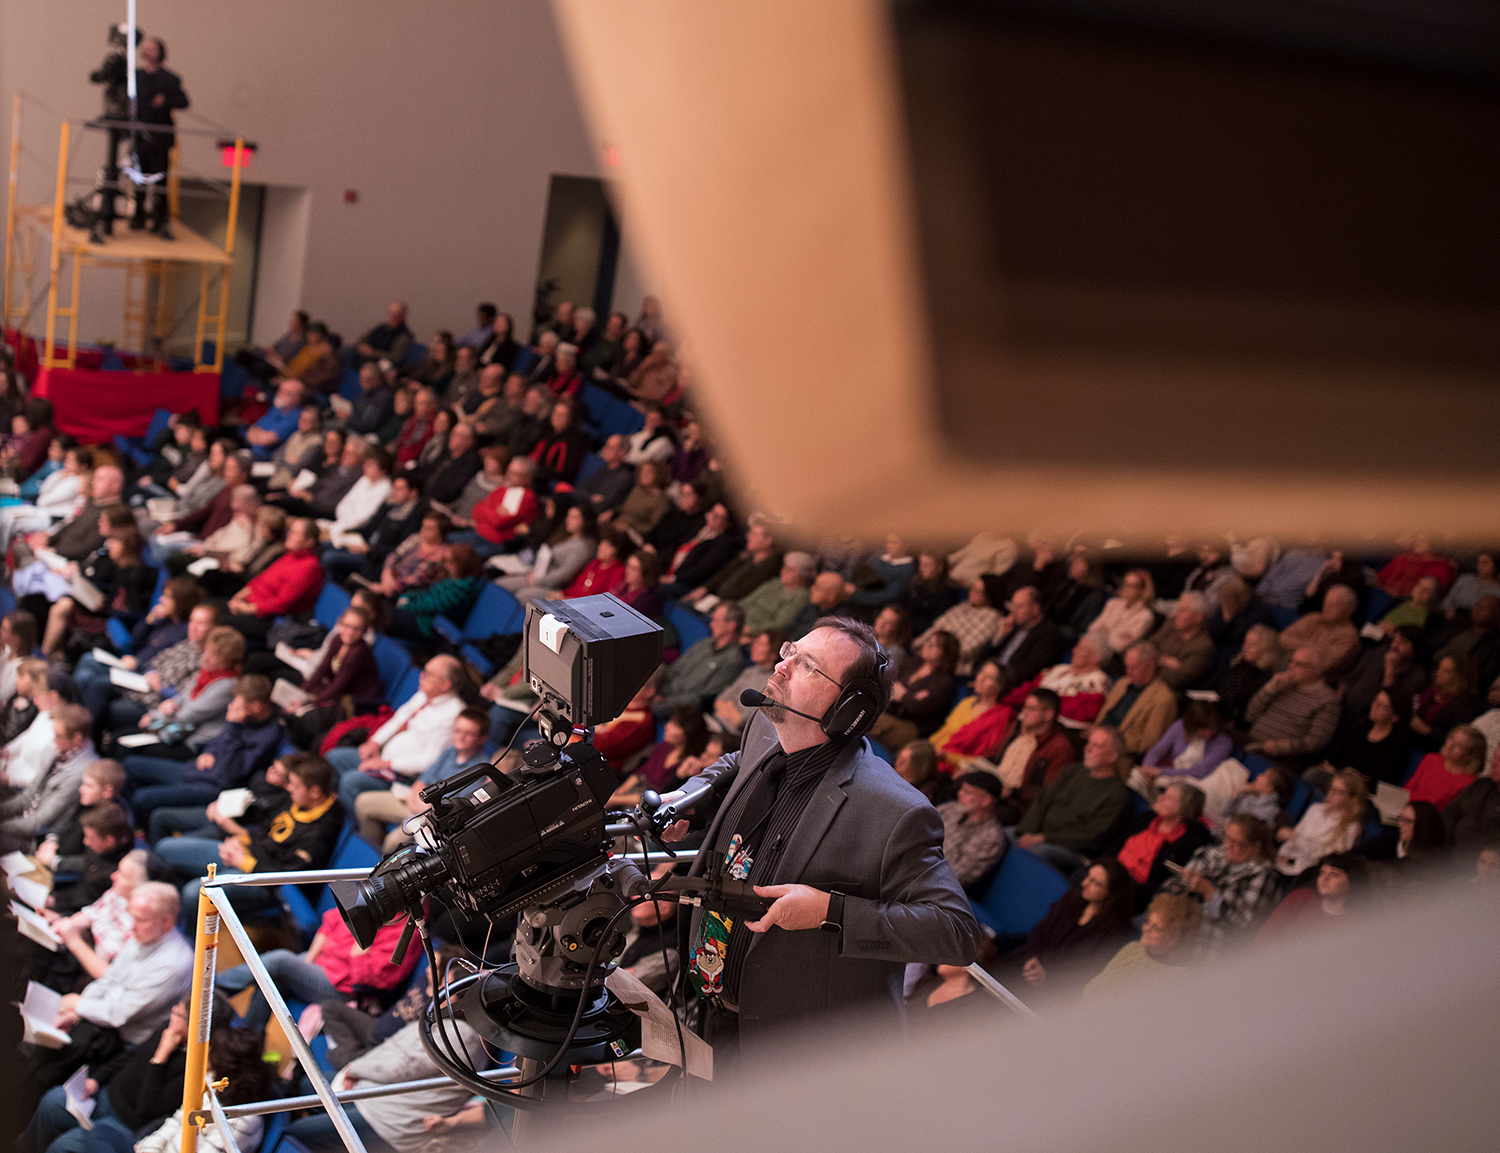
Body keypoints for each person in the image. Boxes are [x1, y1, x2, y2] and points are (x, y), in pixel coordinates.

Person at [666, 617, 979, 1066]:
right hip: (704, 1013)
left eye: (807, 665)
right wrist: (691, 798)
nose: (782, 665)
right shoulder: (765, 729)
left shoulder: (896, 812)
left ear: (848, 709)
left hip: (792, 1055)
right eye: (790, 651)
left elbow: (956, 932)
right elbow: (735, 764)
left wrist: (830, 912)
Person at [19, 882, 192, 1098]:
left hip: (124, 1043)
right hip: (102, 1021)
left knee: (48, 1060)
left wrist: (78, 1005)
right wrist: (75, 1012)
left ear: (167, 921)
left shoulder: (174, 964)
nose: (132, 927)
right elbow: (109, 979)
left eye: (141, 920)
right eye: (132, 918)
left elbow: (119, 1014)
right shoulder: (145, 935)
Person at [164, 753, 345, 921]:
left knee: (194, 893)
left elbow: (285, 878)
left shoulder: (320, 833)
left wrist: (243, 861)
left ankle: (187, 933)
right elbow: (264, 830)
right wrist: (241, 840)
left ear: (314, 792)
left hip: (263, 882)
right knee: (166, 848)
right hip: (246, 853)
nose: (289, 788)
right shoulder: (296, 800)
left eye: (295, 785)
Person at [328, 656, 467, 811]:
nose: (421, 676)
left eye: (429, 674)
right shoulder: (424, 695)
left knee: (350, 782)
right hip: (382, 757)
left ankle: (348, 821)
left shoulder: (453, 715)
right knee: (334, 758)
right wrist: (374, 743)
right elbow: (398, 719)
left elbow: (428, 761)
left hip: (403, 776)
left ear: (445, 684)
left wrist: (385, 764)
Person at [353, 708, 491, 850]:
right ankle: (372, 853)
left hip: (433, 819)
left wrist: (424, 805)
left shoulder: (480, 768)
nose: (460, 737)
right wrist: (417, 799)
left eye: (468, 733)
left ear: (482, 738)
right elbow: (421, 781)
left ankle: (383, 861)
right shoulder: (449, 752)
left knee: (393, 841)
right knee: (363, 803)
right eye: (457, 731)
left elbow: (454, 808)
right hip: (416, 802)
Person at [1014, 725, 1134, 875]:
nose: (1087, 749)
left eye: (1096, 746)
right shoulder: (1073, 770)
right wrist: (1026, 832)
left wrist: (1042, 838)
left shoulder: (1117, 794)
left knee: (1034, 852)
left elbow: (1091, 836)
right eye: (1089, 743)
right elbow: (1042, 801)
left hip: (1069, 848)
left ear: (1112, 757)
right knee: (1003, 838)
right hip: (1038, 835)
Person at [1160, 814, 1279, 956]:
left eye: (1236, 842)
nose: (1228, 845)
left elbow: (1243, 925)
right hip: (1179, 927)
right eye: (1227, 838)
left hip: (1214, 945)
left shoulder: (1262, 875)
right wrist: (1186, 882)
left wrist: (1210, 893)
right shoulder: (1213, 854)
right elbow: (1172, 886)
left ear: (1255, 848)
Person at [1017, 859, 1135, 994]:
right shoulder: (1072, 899)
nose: (1084, 883)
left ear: (1112, 894)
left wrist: (1048, 977)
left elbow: (1087, 972)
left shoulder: (1116, 932)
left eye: (1095, 883)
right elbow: (1039, 930)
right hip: (1029, 964)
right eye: (1088, 876)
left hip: (1059, 991)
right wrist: (1032, 959)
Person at [287, 608, 383, 749]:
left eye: (356, 629)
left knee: (306, 718)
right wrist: (301, 693)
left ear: (363, 631)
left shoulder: (358, 652)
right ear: (340, 624)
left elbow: (338, 686)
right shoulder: (338, 639)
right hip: (339, 694)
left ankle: (301, 753)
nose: (349, 632)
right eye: (347, 626)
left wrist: (306, 702)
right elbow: (322, 669)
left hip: (356, 703)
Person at [223, 516, 324, 645]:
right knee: (212, 607)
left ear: (309, 542)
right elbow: (260, 580)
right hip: (250, 604)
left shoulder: (309, 567)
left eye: (296, 533)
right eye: (290, 531)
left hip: (269, 620)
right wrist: (238, 597)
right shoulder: (290, 555)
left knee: (219, 619)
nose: (289, 535)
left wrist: (246, 609)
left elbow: (282, 604)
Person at [1116, 780, 1214, 911]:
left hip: (1136, 894)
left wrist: (1118, 887)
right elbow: (1116, 845)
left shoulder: (1191, 842)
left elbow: (1161, 885)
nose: (1160, 798)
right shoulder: (1148, 818)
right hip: (1114, 873)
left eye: (1168, 798)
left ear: (1182, 810)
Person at [1081, 893, 1202, 998]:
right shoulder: (1132, 948)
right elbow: (1092, 987)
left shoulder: (1177, 978)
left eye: (1156, 928)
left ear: (1174, 938)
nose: (1146, 929)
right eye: (1147, 921)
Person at [130, 38, 189, 238]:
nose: (148, 51)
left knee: (160, 181)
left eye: (152, 48)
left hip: (160, 137)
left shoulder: (170, 79)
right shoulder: (136, 76)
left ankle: (160, 220)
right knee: (139, 178)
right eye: (146, 48)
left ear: (160, 52)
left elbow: (184, 101)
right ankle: (138, 216)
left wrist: (166, 100)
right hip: (140, 135)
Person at [1245, 647, 1340, 763]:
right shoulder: (1283, 684)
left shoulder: (1327, 700)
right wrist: (1269, 689)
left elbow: (1317, 741)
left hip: (1280, 758)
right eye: (1290, 661)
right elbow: (1249, 715)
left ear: (1316, 670)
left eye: (1299, 664)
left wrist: (1283, 746)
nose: (1291, 667)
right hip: (1250, 743)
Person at [868, 630, 959, 749]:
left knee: (872, 719)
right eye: (928, 642)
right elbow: (890, 680)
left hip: (911, 726)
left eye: (934, 645)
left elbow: (918, 706)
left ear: (946, 653)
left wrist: (902, 695)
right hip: (890, 711)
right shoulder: (914, 662)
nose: (927, 646)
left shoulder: (944, 681)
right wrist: (909, 696)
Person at [656, 601, 747, 713]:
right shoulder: (704, 643)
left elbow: (702, 698)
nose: (711, 625)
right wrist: (655, 687)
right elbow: (675, 668)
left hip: (680, 706)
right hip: (665, 689)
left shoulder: (732, 660)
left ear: (731, 625)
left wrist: (666, 701)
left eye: (716, 621)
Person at [1276, 768, 1368, 876]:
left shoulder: (1350, 827)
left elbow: (1328, 859)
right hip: (1290, 863)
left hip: (1312, 873)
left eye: (1338, 792)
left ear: (1353, 800)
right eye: (1331, 789)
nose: (1331, 794)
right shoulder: (1315, 809)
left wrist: (1297, 839)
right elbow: (1293, 837)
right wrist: (1285, 853)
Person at [1095, 642, 1178, 758]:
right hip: (1097, 739)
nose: (1127, 672)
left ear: (1150, 667)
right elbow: (1103, 716)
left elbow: (1149, 743)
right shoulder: (1122, 683)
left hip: (1123, 755)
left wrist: (1108, 742)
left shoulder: (1163, 699)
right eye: (1126, 667)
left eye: (1133, 668)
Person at [1258, 853, 1367, 938]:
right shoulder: (1301, 896)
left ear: (1353, 882)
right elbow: (1266, 934)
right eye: (1322, 873)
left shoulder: (1356, 923)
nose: (1325, 878)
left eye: (1334, 874)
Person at [1137, 700, 1234, 792]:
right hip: (1172, 773)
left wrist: (1160, 772)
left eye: (1211, 729)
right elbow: (1157, 750)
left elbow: (1200, 771)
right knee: (1136, 778)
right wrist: (1147, 767)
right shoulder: (1179, 726)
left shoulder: (1223, 743)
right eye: (1202, 730)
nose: (1208, 733)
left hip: (1197, 782)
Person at [914, 577, 1003, 676]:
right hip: (928, 653)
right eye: (972, 588)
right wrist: (918, 645)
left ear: (989, 596)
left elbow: (967, 650)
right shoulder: (962, 606)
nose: (972, 593)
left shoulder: (991, 617)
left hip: (950, 666)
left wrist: (935, 653)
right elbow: (936, 627)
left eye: (978, 591)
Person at [935, 771, 1008, 891]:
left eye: (967, 792)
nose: (960, 794)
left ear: (985, 801)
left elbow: (956, 876)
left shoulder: (991, 837)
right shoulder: (949, 809)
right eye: (961, 789)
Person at [1278, 584, 1361, 681]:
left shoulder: (1349, 637)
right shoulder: (1313, 618)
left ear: (1348, 610)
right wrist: (1313, 649)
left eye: (1333, 605)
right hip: (1287, 661)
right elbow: (1284, 637)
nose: (1327, 607)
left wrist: (1301, 646)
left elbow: (1320, 663)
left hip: (1314, 679)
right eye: (1326, 602)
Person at [1405, 724, 1486, 810]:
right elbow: (1408, 789)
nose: (1450, 745)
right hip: (1405, 808)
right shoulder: (1431, 759)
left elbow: (1450, 812)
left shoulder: (1470, 782)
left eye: (1460, 746)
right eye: (1451, 739)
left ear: (1470, 756)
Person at [1145, 591, 1215, 690]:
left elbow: (1178, 678)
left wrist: (1149, 662)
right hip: (1146, 683)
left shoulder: (1203, 646)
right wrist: (1165, 661)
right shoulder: (1170, 627)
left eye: (1183, 611)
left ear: (1198, 618)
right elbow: (1146, 648)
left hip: (1168, 691)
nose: (1176, 614)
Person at [1359, 800, 1449, 874]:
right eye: (1401, 818)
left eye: (1408, 821)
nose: (1401, 824)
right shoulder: (1389, 840)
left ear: (1423, 826)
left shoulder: (1432, 863)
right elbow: (1358, 854)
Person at [1085, 569, 1156, 660]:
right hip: (1094, 648)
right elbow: (1092, 628)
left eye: (1131, 586)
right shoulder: (1113, 603)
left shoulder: (1146, 615)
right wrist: (1117, 634)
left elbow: (1121, 646)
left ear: (1142, 590)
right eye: (1125, 584)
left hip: (1116, 658)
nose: (1126, 589)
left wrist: (1105, 630)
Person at [1443, 742, 1500, 851]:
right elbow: (1451, 812)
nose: (1494, 764)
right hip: (1449, 850)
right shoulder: (1482, 785)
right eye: (1494, 758)